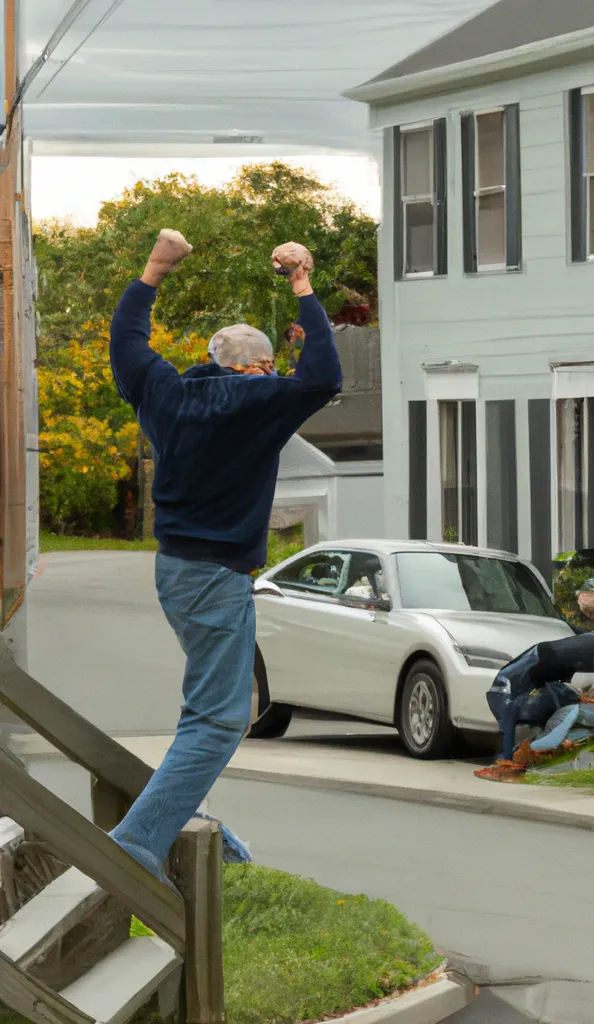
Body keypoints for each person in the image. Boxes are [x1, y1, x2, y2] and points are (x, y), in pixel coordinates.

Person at [106, 229, 342, 886]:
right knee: (219, 721)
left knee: (202, 710)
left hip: (174, 575)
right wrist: (301, 285)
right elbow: (324, 375)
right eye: (269, 369)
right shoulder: (259, 400)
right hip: (217, 579)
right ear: (258, 367)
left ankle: (214, 843)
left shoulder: (164, 391)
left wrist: (155, 269)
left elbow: (127, 343)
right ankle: (134, 849)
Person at [475, 507, 594, 781]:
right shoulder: (589, 566)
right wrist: (587, 608)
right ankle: (511, 751)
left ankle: (516, 753)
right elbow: (568, 606)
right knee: (537, 663)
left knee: (568, 652)